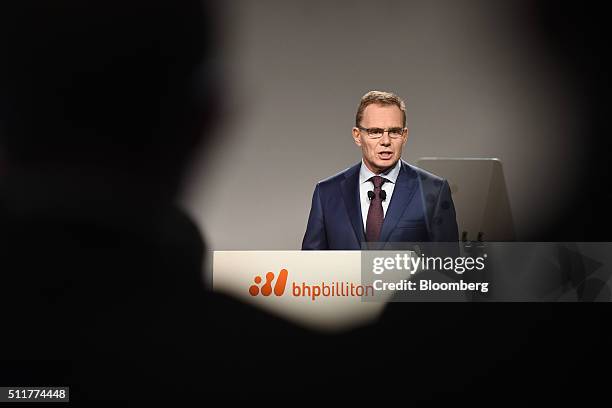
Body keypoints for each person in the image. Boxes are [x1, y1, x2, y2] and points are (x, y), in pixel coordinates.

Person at [302, 90, 459, 250]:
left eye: (394, 132)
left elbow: (447, 267)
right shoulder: (327, 192)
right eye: (375, 132)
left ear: (404, 135)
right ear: (357, 136)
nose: (386, 141)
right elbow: (311, 264)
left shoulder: (433, 191)